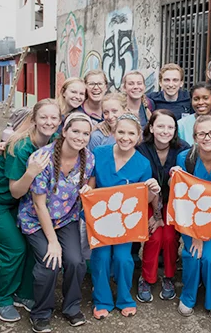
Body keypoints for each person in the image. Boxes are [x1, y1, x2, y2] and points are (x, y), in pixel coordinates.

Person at [0, 99, 61, 323]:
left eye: (54, 118)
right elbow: (17, 191)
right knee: (14, 248)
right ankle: (1, 300)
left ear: (59, 121)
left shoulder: (55, 140)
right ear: (35, 120)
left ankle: (23, 294)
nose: (49, 122)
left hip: (12, 203)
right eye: (44, 117)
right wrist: (31, 172)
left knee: (30, 243)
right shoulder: (20, 147)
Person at [17, 113, 95, 332]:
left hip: (66, 218)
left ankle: (70, 307)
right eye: (76, 131)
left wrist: (89, 188)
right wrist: (52, 241)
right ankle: (40, 312)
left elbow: (89, 181)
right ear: (65, 131)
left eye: (86, 133)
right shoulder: (43, 158)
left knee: (76, 261)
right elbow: (39, 205)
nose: (80, 137)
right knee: (50, 263)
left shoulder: (88, 158)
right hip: (36, 219)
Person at [82, 113, 160, 319]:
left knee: (124, 258)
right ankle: (102, 300)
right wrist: (87, 191)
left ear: (138, 137)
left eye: (131, 133)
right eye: (121, 132)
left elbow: (143, 199)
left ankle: (125, 298)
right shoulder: (99, 153)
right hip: (99, 217)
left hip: (125, 222)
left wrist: (153, 189)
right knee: (101, 256)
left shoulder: (142, 164)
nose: (126, 137)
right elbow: (91, 181)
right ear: (114, 132)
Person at [172, 115, 211, 320]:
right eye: (201, 133)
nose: (207, 137)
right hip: (190, 218)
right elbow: (182, 197)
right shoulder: (185, 158)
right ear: (194, 137)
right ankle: (188, 295)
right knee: (193, 255)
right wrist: (196, 233)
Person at [135, 110, 190, 303]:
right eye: (160, 126)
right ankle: (147, 277)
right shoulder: (141, 148)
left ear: (175, 130)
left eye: (170, 127)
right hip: (149, 199)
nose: (165, 131)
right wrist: (156, 215)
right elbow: (143, 185)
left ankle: (168, 276)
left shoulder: (183, 149)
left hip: (174, 201)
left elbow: (188, 184)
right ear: (151, 127)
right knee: (154, 236)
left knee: (169, 237)